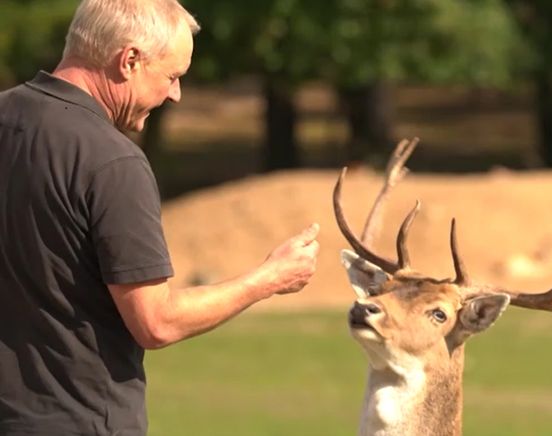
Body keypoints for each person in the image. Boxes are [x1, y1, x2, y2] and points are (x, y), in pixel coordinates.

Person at [0, 0, 320, 435]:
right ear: (129, 60)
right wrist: (269, 278)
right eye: (172, 76)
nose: (176, 94)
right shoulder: (111, 161)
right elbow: (156, 321)